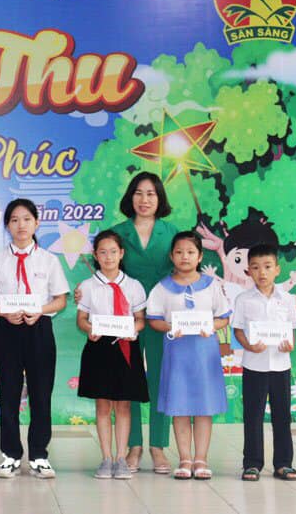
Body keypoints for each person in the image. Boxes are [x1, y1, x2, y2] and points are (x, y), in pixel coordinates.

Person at [0, 199, 69, 479]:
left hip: (39, 328)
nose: (21, 225)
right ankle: (11, 455)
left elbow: (61, 300)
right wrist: (3, 313)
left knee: (41, 394)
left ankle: (39, 455)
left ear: (36, 223)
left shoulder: (49, 260)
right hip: (8, 330)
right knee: (8, 394)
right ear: (7, 225)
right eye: (15, 220)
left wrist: (40, 310)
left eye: (27, 219)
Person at [145, 231, 231, 480]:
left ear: (200, 256)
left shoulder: (212, 285)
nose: (185, 256)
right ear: (171, 256)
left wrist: (211, 326)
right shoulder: (162, 288)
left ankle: (201, 459)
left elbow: (223, 317)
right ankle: (184, 458)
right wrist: (171, 327)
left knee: (204, 407)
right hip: (177, 355)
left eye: (191, 252)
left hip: (205, 355)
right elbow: (154, 320)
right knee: (180, 406)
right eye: (179, 252)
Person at [109, 172, 177, 473]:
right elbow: (106, 273)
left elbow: (183, 272)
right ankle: (133, 445)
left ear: (160, 198)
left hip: (163, 318)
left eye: (151, 193)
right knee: (129, 379)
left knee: (162, 379)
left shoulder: (173, 233)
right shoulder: (117, 233)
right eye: (138, 193)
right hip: (126, 318)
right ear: (130, 197)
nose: (144, 199)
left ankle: (158, 446)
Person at [75, 230, 148, 480]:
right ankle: (106, 458)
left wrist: (134, 330)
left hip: (126, 347)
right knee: (103, 405)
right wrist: (89, 329)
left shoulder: (134, 286)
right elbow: (81, 319)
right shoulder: (88, 286)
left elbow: (140, 319)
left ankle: (121, 459)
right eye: (103, 252)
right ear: (95, 255)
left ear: (121, 253)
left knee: (124, 406)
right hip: (99, 348)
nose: (108, 257)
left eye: (113, 252)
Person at [232, 243, 296, 481]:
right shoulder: (243, 299)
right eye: (256, 267)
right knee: (253, 415)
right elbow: (238, 330)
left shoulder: (288, 299)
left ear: (277, 269)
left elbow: (291, 329)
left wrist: (289, 345)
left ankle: (283, 463)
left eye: (268, 266)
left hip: (281, 365)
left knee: (282, 416)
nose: (262, 272)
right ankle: (252, 463)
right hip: (254, 365)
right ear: (248, 271)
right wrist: (249, 345)